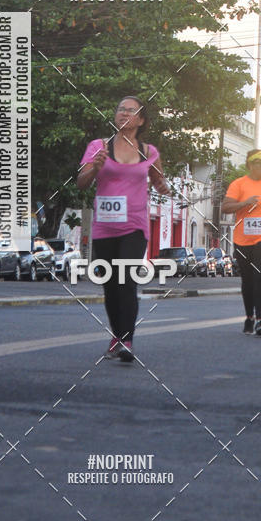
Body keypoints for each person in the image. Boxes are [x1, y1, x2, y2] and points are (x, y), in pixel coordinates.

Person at [77, 96, 170, 362]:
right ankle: (116, 335)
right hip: (105, 226)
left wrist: (163, 187)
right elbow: (81, 182)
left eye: (131, 111)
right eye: (120, 109)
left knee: (126, 279)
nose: (124, 113)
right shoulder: (98, 146)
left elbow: (159, 181)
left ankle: (127, 340)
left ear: (141, 120)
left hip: (134, 225)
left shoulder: (149, 151)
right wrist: (95, 167)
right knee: (110, 284)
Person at [221, 149, 261, 336]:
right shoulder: (238, 184)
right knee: (248, 280)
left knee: (260, 277)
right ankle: (249, 317)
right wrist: (243, 203)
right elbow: (225, 206)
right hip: (243, 238)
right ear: (251, 164)